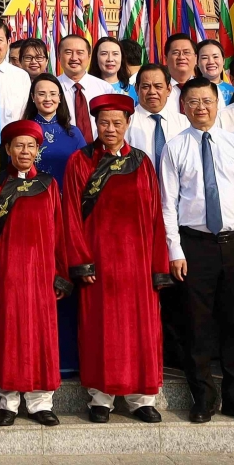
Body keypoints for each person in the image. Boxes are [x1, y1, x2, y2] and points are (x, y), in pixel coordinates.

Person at [158, 77, 234, 424]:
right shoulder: (175, 148)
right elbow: (168, 205)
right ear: (183, 106)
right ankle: (203, 396)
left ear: (217, 103)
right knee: (197, 324)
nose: (200, 108)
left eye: (207, 101)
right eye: (193, 102)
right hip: (195, 246)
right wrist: (175, 250)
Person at [64, 93, 172, 424]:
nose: (110, 129)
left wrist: (158, 265)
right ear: (95, 124)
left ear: (128, 123)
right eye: (103, 123)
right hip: (100, 263)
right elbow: (70, 215)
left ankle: (142, 398)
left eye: (117, 123)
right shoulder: (80, 161)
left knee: (141, 329)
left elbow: (155, 216)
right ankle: (101, 397)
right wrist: (82, 261)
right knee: (101, 329)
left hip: (137, 264)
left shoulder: (141, 162)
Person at [0, 122, 65, 426]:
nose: (25, 151)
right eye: (19, 145)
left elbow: (60, 231)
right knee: (9, 334)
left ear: (38, 150)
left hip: (42, 273)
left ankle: (40, 401)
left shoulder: (49, 184)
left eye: (31, 146)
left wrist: (60, 272)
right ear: (7, 150)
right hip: (8, 273)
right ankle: (8, 400)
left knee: (42, 335)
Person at [19, 73, 85, 182]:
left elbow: (84, 169)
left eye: (53, 94)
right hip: (32, 195)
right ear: (33, 97)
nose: (48, 99)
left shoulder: (73, 133)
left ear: (59, 98)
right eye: (41, 94)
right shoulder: (23, 132)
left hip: (66, 195)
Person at [55, 34, 113, 137]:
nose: (74, 58)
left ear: (89, 56)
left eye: (80, 53)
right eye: (68, 52)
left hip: (98, 150)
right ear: (59, 56)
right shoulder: (52, 87)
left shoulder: (105, 89)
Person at [126, 63, 179, 170]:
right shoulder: (126, 123)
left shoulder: (183, 123)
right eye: (146, 86)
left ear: (168, 89)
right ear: (137, 89)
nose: (152, 92)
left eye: (158, 86)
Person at [197, 39, 231, 104]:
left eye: (215, 57)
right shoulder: (190, 90)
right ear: (197, 62)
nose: (211, 62)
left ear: (223, 60)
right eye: (204, 58)